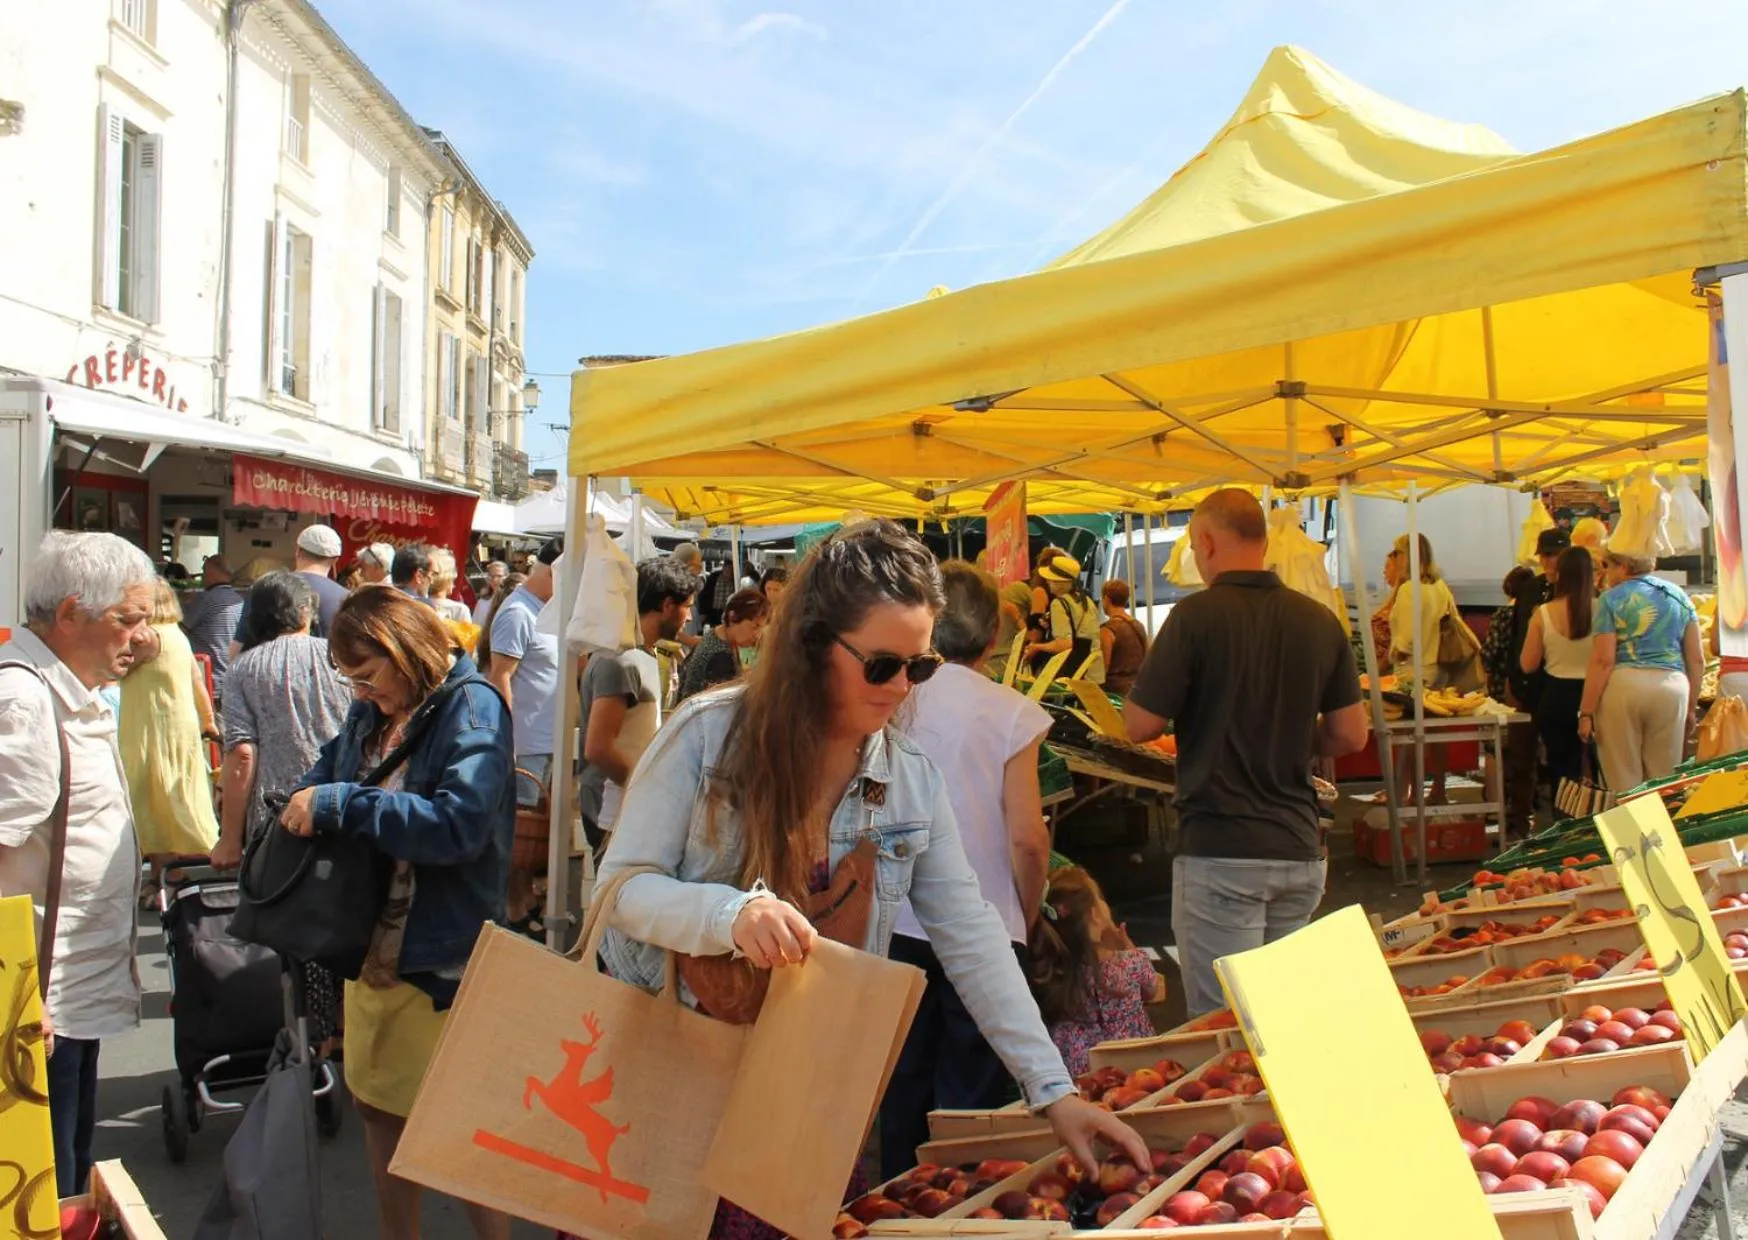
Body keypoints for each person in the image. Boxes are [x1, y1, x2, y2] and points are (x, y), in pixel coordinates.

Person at [597, 520, 1147, 1239]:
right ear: (813, 644)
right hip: (670, 1079)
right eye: (883, 665)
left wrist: (1052, 1090)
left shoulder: (908, 777)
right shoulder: (706, 737)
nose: (902, 688)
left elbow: (972, 934)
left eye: (920, 667)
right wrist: (728, 915)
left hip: (804, 1095)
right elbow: (621, 890)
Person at [279, 587, 514, 1240]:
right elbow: (332, 766)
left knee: (456, 1126)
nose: (360, 692)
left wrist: (339, 805)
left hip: (438, 953)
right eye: (350, 680)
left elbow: (459, 826)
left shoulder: (473, 708)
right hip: (372, 944)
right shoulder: (374, 709)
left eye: (365, 675)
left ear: (403, 649)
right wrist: (307, 797)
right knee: (378, 1109)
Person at [1124, 489, 1368, 1016]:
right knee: (1282, 1019)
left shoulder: (1193, 617)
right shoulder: (1318, 619)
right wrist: (1296, 737)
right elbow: (1352, 735)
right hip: (1299, 849)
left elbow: (1140, 725)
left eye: (1194, 546)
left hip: (1221, 851)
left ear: (1208, 542)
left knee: (1225, 1027)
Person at [878, 560, 1052, 1178]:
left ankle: (895, 1202)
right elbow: (1028, 839)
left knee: (900, 1086)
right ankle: (960, 1202)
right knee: (971, 1098)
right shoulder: (1010, 711)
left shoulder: (892, 697)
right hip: (985, 923)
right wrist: (1027, 912)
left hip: (895, 918)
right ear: (993, 636)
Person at [0, 531, 156, 1195]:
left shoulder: (65, 688)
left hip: (67, 998)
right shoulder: (24, 701)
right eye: (129, 618)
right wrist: (15, 996)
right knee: (42, 1185)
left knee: (66, 1175)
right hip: (38, 1004)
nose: (142, 637)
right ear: (69, 614)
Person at [212, 572, 352, 1044]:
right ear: (306, 612)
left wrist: (229, 838)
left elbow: (241, 755)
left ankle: (312, 1037)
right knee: (347, 925)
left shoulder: (244, 669)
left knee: (294, 936)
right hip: (345, 807)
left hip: (278, 824)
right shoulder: (338, 657)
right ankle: (344, 1035)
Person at [578, 557, 698, 849]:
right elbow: (599, 748)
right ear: (667, 605)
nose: (690, 617)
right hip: (612, 813)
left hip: (627, 809)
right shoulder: (621, 660)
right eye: (687, 606)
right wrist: (646, 788)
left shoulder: (640, 654)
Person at [119, 579, 221, 888]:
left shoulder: (149, 638)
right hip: (177, 728)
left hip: (151, 729)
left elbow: (117, 669)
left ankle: (163, 877)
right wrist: (208, 721)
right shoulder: (177, 635)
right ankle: (167, 874)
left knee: (151, 802)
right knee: (170, 798)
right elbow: (197, 681)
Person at [1580, 547, 1704, 794]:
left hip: (1624, 687)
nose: (1606, 574)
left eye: (1608, 566)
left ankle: (1631, 819)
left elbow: (1603, 660)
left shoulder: (1611, 599)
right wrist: (1690, 708)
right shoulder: (1679, 597)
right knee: (1665, 778)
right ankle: (1664, 817)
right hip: (1671, 687)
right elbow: (1697, 659)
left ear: (1623, 566)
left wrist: (1586, 711)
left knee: (1624, 777)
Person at [1030, 867, 1164, 1077]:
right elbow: (1152, 990)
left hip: (1076, 1074)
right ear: (1096, 915)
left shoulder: (1051, 971)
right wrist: (1129, 949)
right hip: (1135, 1070)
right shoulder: (1132, 963)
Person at [1521, 547, 1598, 800]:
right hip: (1596, 695)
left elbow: (1527, 664)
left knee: (1562, 772)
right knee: (1600, 769)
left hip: (1556, 696)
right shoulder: (1604, 609)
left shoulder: (1543, 613)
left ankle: (1564, 819)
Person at [1386, 533, 1456, 806]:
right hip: (1440, 670)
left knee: (1410, 736)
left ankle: (1408, 795)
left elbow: (1405, 640)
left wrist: (1391, 655)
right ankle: (1438, 788)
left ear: (1407, 557)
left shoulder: (1408, 590)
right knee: (1436, 734)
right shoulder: (1440, 587)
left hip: (1412, 673)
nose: (1392, 558)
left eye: (1395, 553)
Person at [487, 539, 561, 791]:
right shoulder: (518, 612)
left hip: (547, 741)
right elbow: (500, 678)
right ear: (554, 572)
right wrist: (507, 741)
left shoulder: (545, 609)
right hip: (526, 746)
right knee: (524, 813)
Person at [227, 523, 351, 658]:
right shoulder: (347, 599)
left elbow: (237, 647)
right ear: (335, 560)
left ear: (298, 551)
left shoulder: (264, 588)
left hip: (267, 668)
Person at [676, 586, 768, 702]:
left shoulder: (716, 635)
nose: (757, 635)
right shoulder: (720, 656)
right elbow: (723, 704)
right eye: (755, 627)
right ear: (733, 617)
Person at [1026, 555, 1103, 683]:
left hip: (1072, 675)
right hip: (1094, 672)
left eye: (1051, 579)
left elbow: (1065, 644)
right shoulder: (1087, 601)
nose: (1047, 581)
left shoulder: (1058, 604)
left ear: (1060, 582)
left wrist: (1037, 647)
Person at [181, 555, 245, 700]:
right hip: (229, 680)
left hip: (209, 679)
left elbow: (182, 628)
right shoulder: (239, 600)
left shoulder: (205, 599)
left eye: (204, 571)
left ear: (212, 572)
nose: (203, 577)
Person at [1098, 579, 1149, 698]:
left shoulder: (1107, 630)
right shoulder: (1138, 625)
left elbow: (1104, 666)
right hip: (1137, 688)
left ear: (1106, 599)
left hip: (1115, 692)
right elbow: (1147, 655)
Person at [987, 581, 1033, 683]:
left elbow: (1027, 639)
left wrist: (1016, 617)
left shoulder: (1015, 616)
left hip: (1006, 664)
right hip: (996, 664)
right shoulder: (996, 612)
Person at [428, 548, 472, 624]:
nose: (454, 585)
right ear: (447, 579)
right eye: (453, 579)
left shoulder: (414, 605)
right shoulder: (459, 610)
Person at [471, 560, 508, 626]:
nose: (495, 580)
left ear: (507, 577)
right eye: (491, 576)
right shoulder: (482, 603)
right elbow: (476, 627)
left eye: (499, 576)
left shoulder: (513, 600)